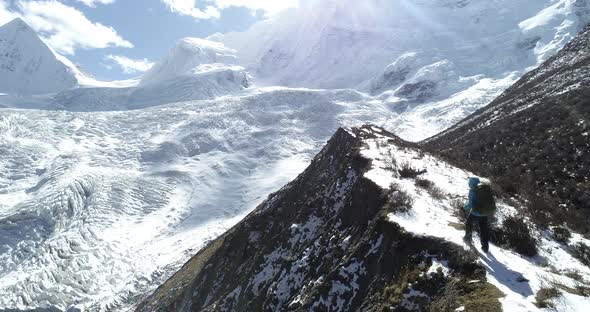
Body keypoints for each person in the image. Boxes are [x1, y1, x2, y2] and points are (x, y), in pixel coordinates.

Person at [463, 177, 490, 252]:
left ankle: (468, 238)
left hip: (475, 212)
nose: (468, 184)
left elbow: (470, 204)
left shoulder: (472, 191)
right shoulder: (483, 189)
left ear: (471, 183)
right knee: (483, 230)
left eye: (469, 182)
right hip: (484, 213)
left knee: (468, 224)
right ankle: (485, 247)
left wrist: (465, 207)